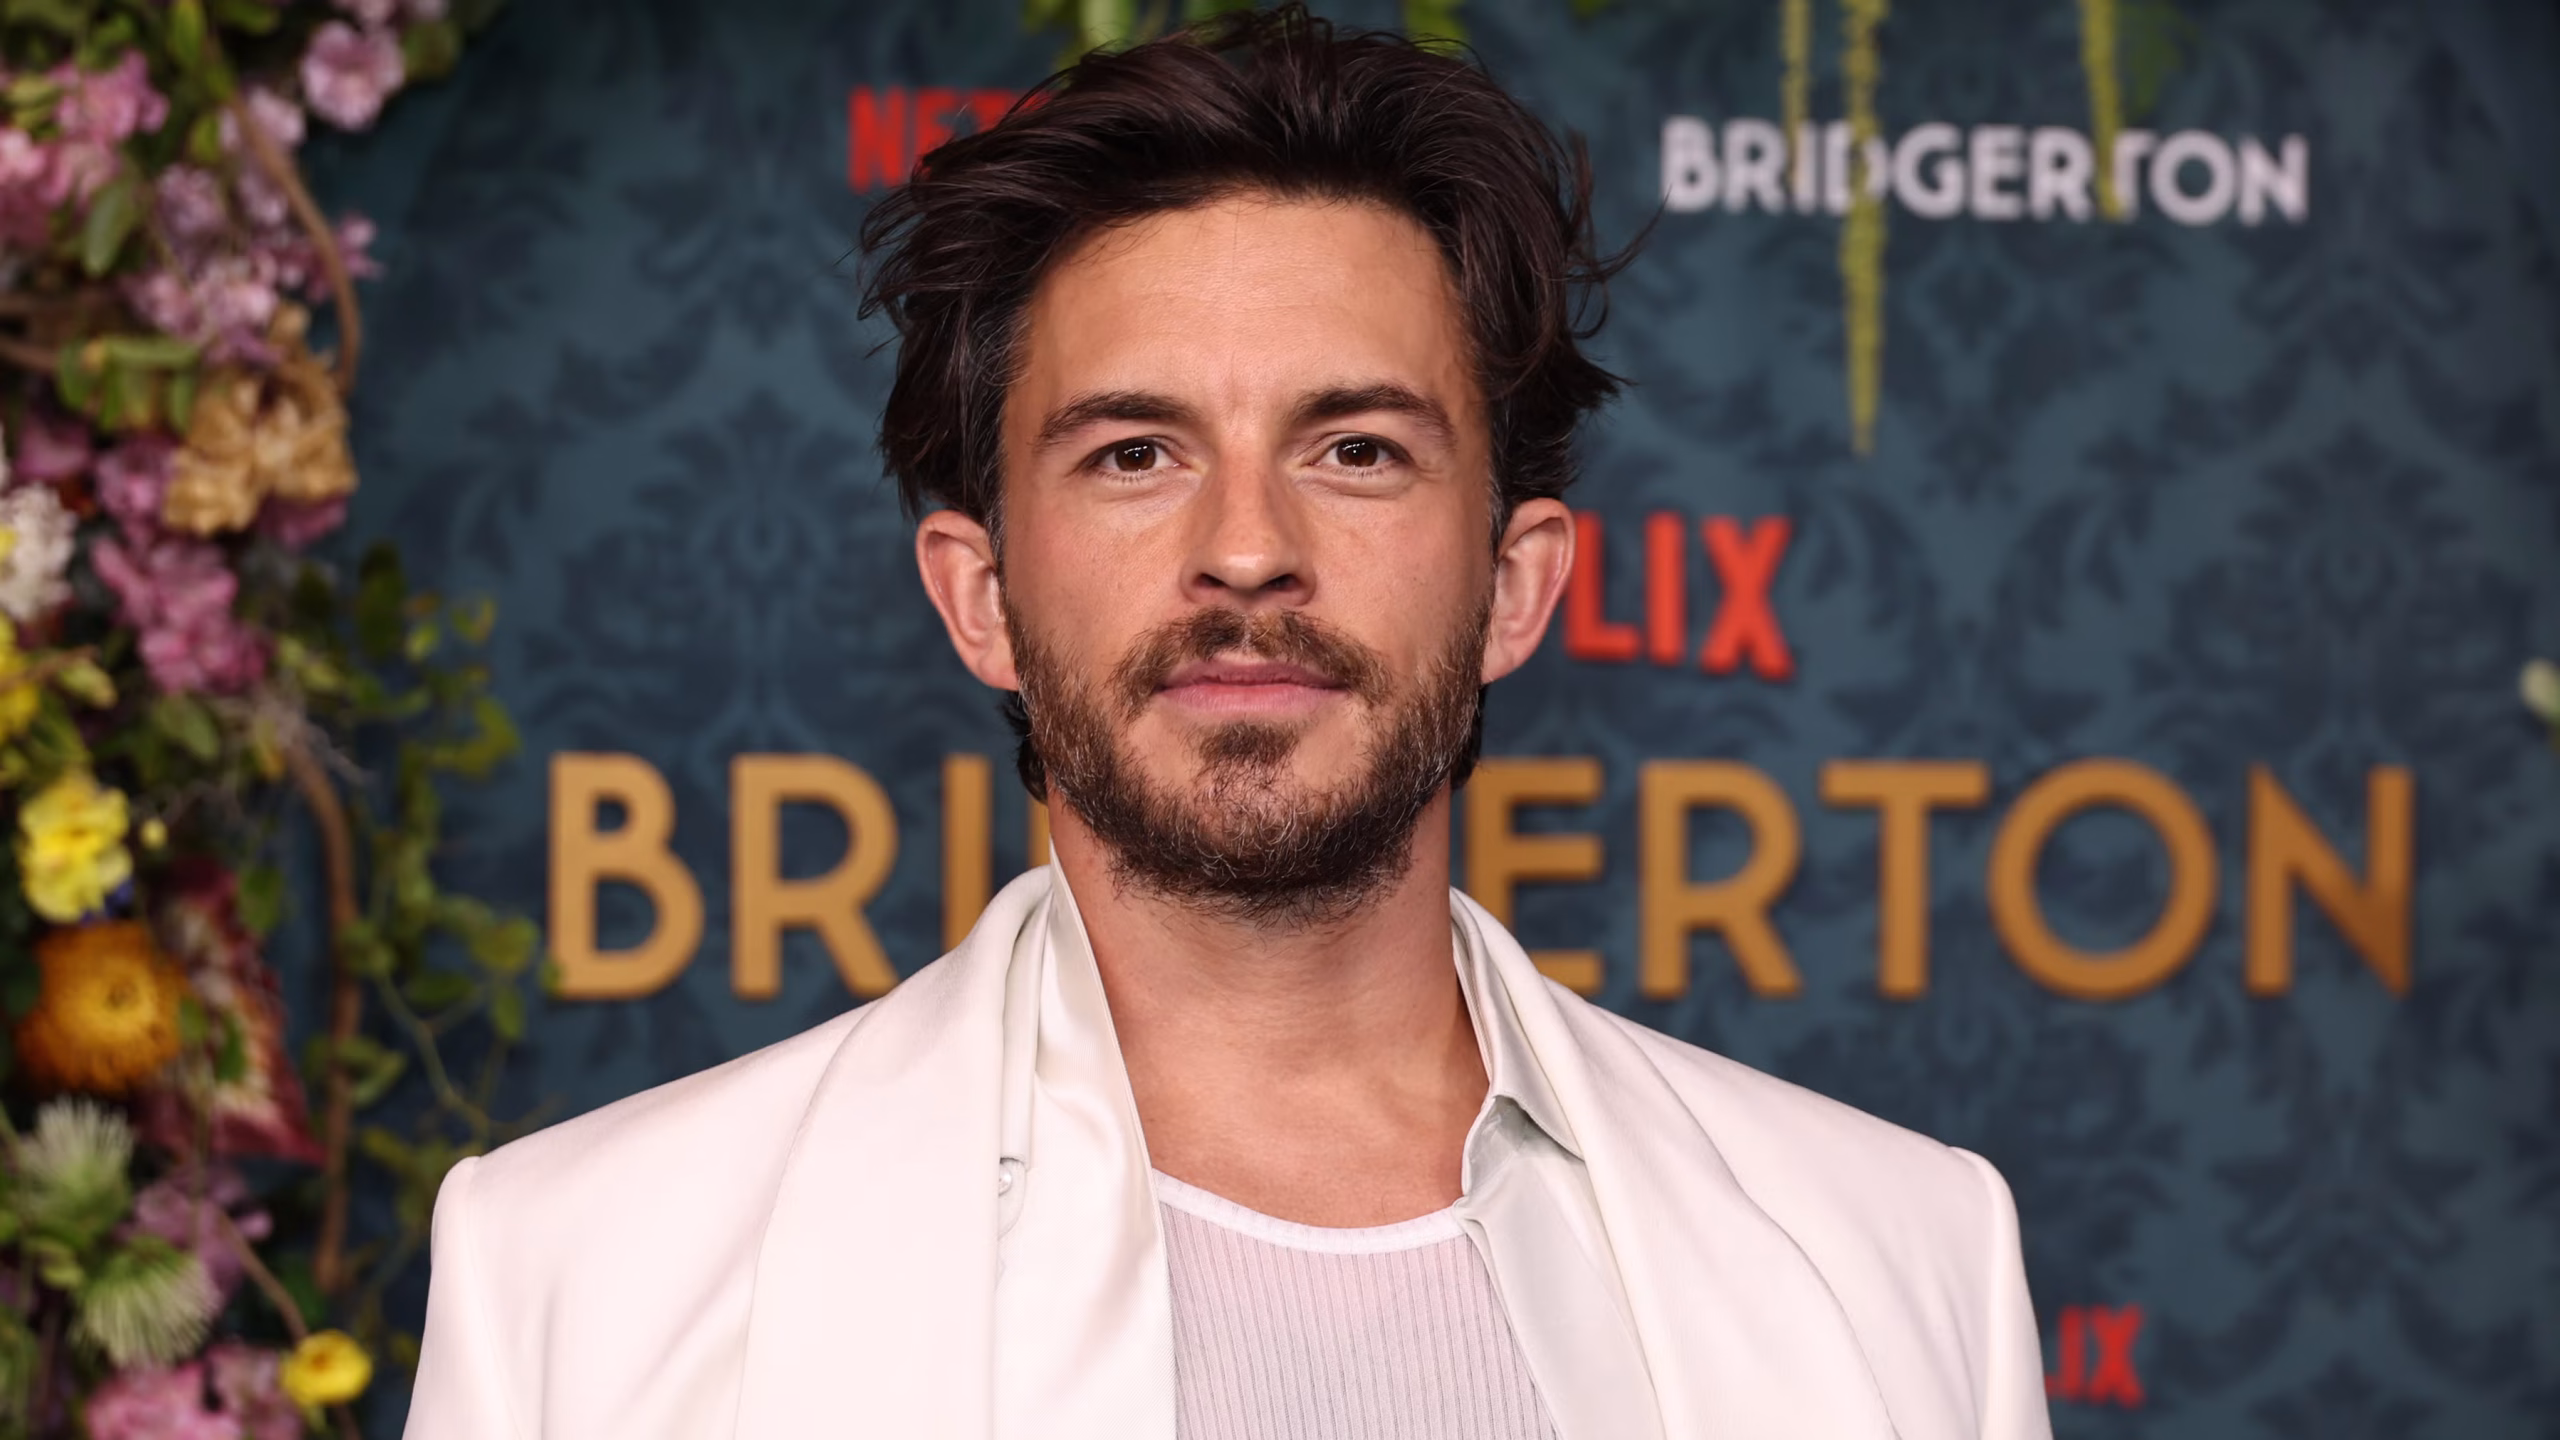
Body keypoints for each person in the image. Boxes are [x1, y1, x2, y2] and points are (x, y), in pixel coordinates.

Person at [403, 9, 2051, 1438]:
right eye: (1134, 453)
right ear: (979, 595)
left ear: (1513, 584)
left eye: (1356, 449)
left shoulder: (1899, 1254)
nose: (1247, 546)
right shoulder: (582, 1277)